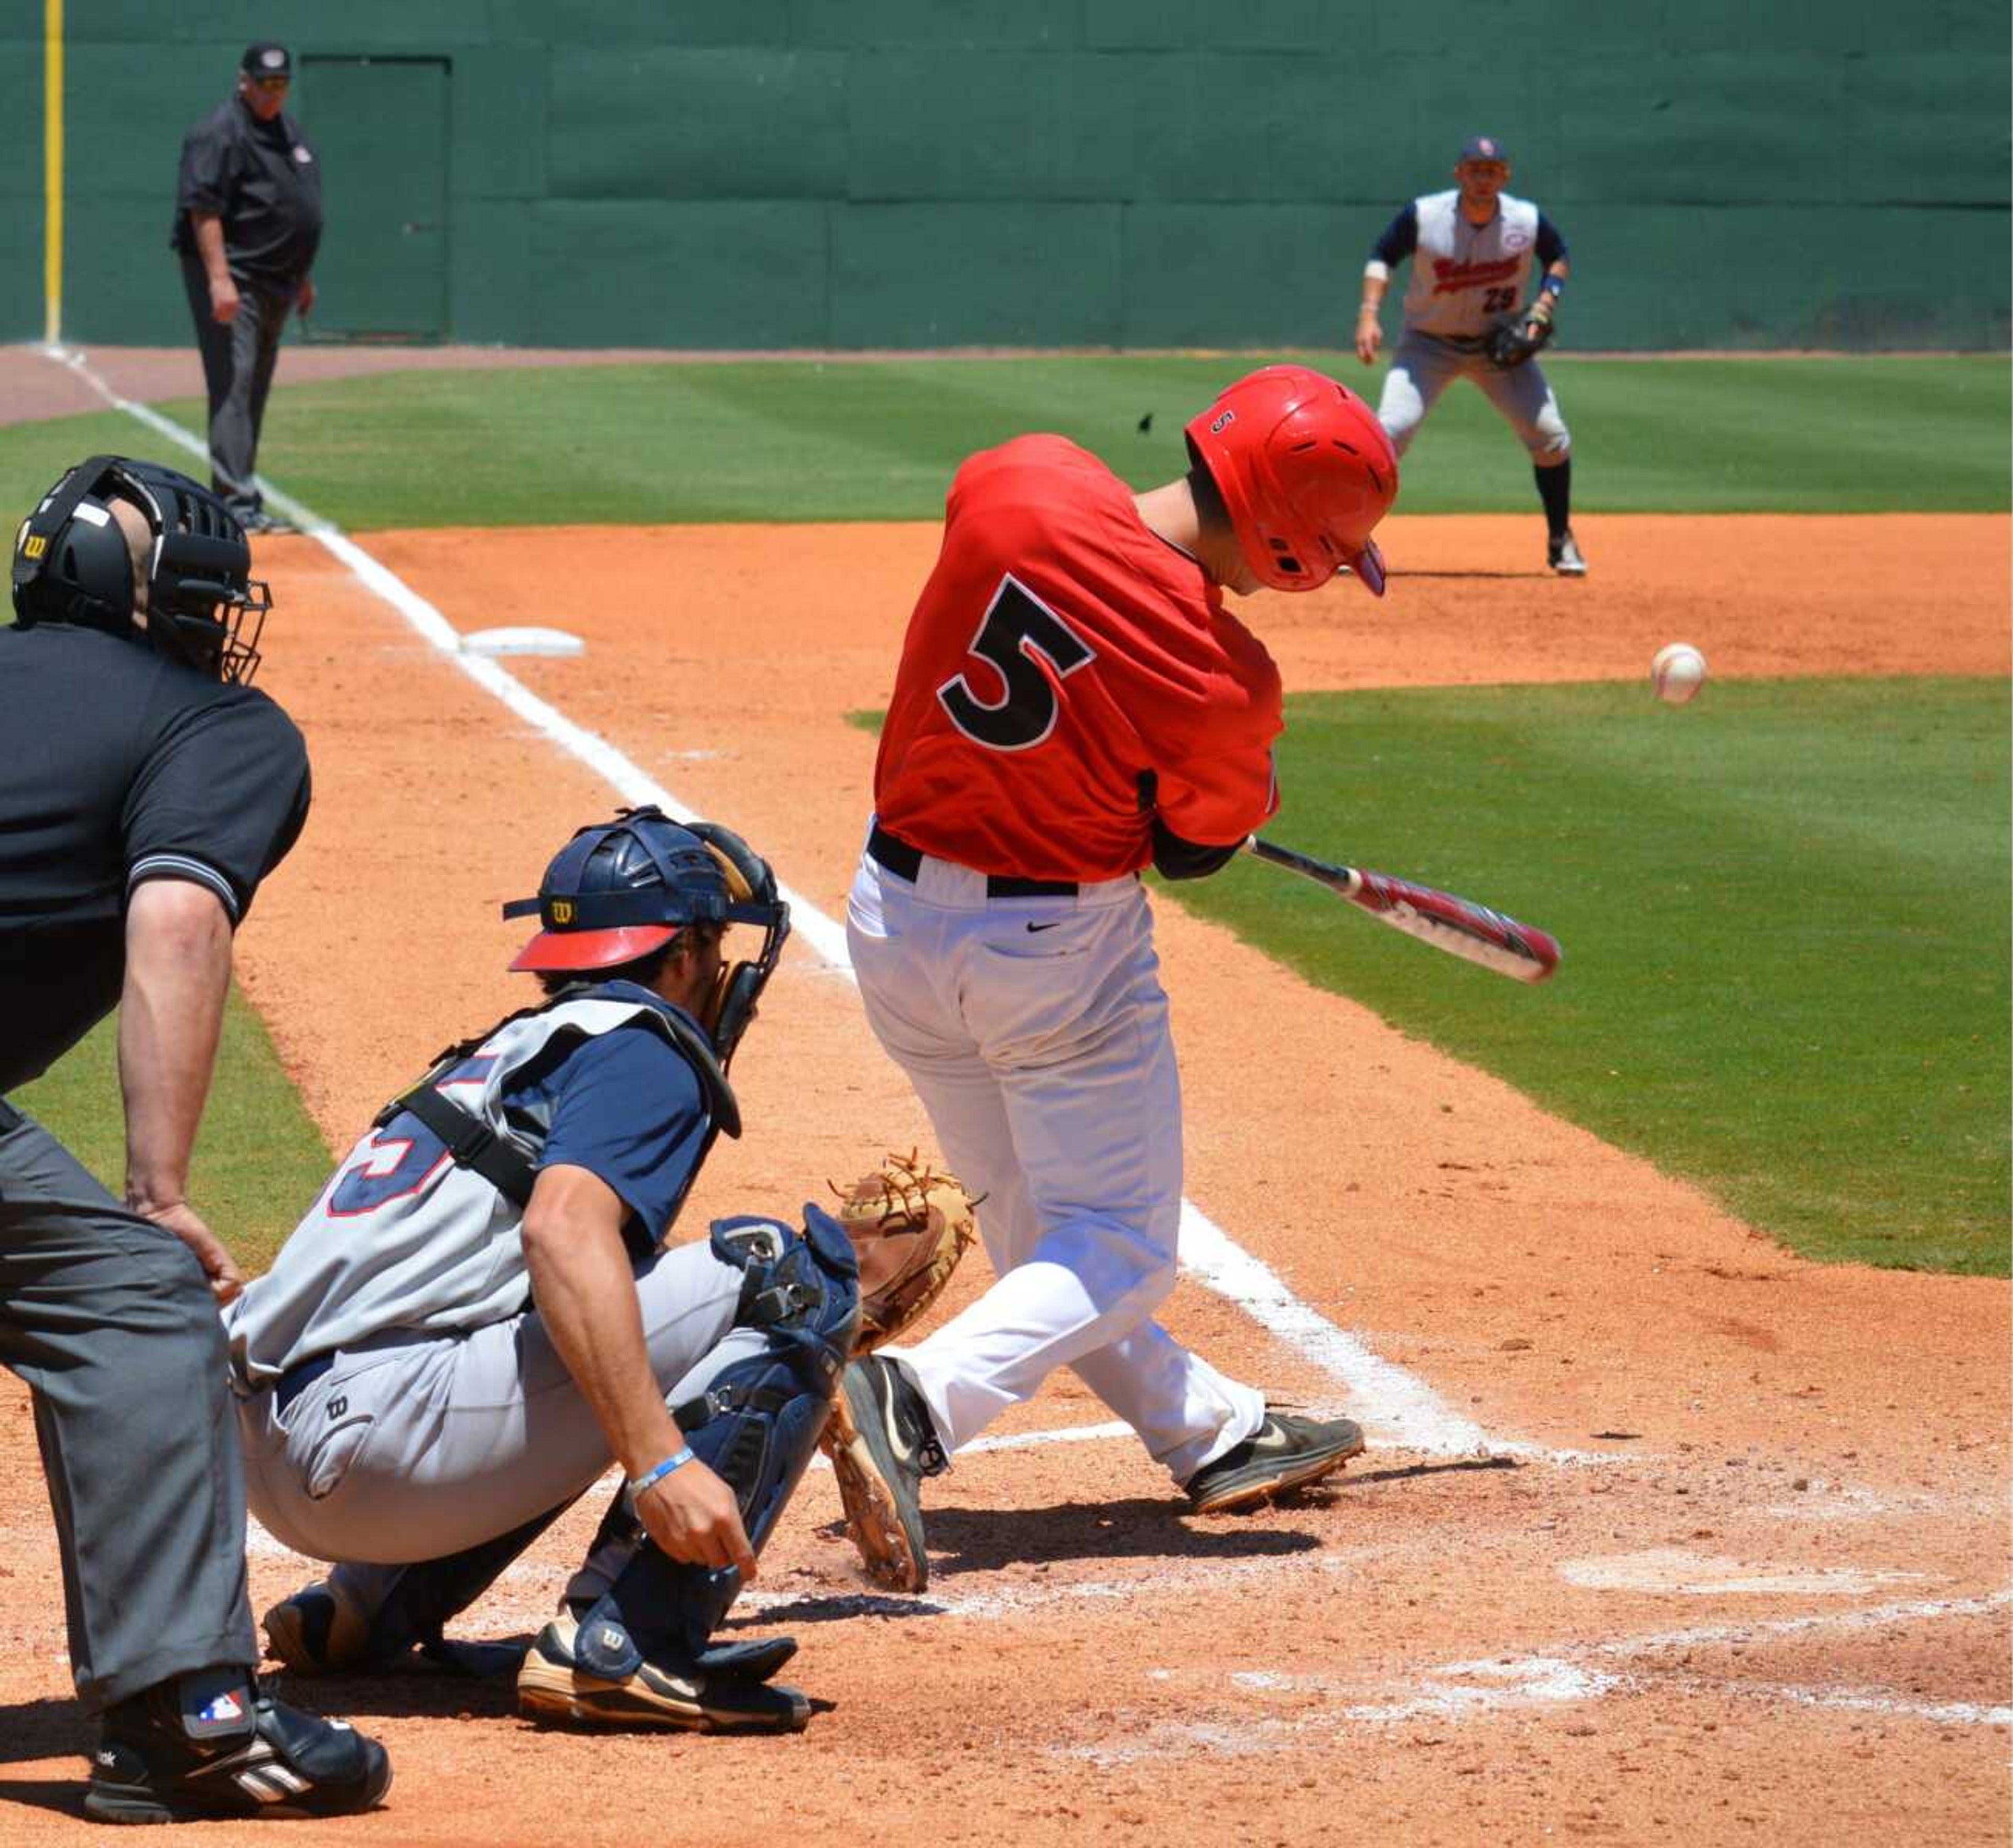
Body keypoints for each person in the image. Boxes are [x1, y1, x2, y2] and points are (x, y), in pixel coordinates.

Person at [824, 365, 1394, 1595]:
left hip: (889, 922)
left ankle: (1210, 1431)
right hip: (1049, 962)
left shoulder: (1015, 478)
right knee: (1123, 1246)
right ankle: (912, 1400)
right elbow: (1192, 845)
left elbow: (1055, 603)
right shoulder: (1224, 677)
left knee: (1038, 1220)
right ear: (1294, 545)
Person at [231, 808, 861, 1735]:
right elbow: (563, 1234)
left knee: (591, 1315)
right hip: (384, 1449)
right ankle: (631, 1642)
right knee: (787, 1277)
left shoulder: (511, 1051)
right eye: (714, 943)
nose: (724, 970)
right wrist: (662, 1461)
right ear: (681, 954)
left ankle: (369, 1605)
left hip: (277, 1452)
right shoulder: (642, 1045)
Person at [1, 456, 392, 1823]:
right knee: (133, 1292)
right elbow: (179, 917)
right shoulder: (217, 725)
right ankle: (190, 1716)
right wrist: (159, 1189)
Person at [1354, 134, 1586, 575]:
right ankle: (1348, 537)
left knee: (1551, 436)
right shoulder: (1425, 215)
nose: (1483, 179)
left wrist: (1544, 304)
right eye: (1476, 170)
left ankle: (1561, 539)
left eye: (1492, 171)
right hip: (1427, 343)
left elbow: (1558, 256)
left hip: (1496, 349)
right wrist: (1369, 313)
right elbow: (1382, 256)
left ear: (1506, 175)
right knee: (1387, 436)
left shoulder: (1527, 220)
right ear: (1459, 174)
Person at [170, 41, 321, 536]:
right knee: (234, 383)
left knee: (254, 384)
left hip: (278, 279)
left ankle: (239, 497)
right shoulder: (220, 133)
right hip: (237, 277)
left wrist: (301, 275)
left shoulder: (285, 131)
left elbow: (296, 207)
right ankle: (235, 502)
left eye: (281, 83)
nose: (274, 92)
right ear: (245, 81)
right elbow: (203, 209)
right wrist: (219, 279)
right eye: (265, 83)